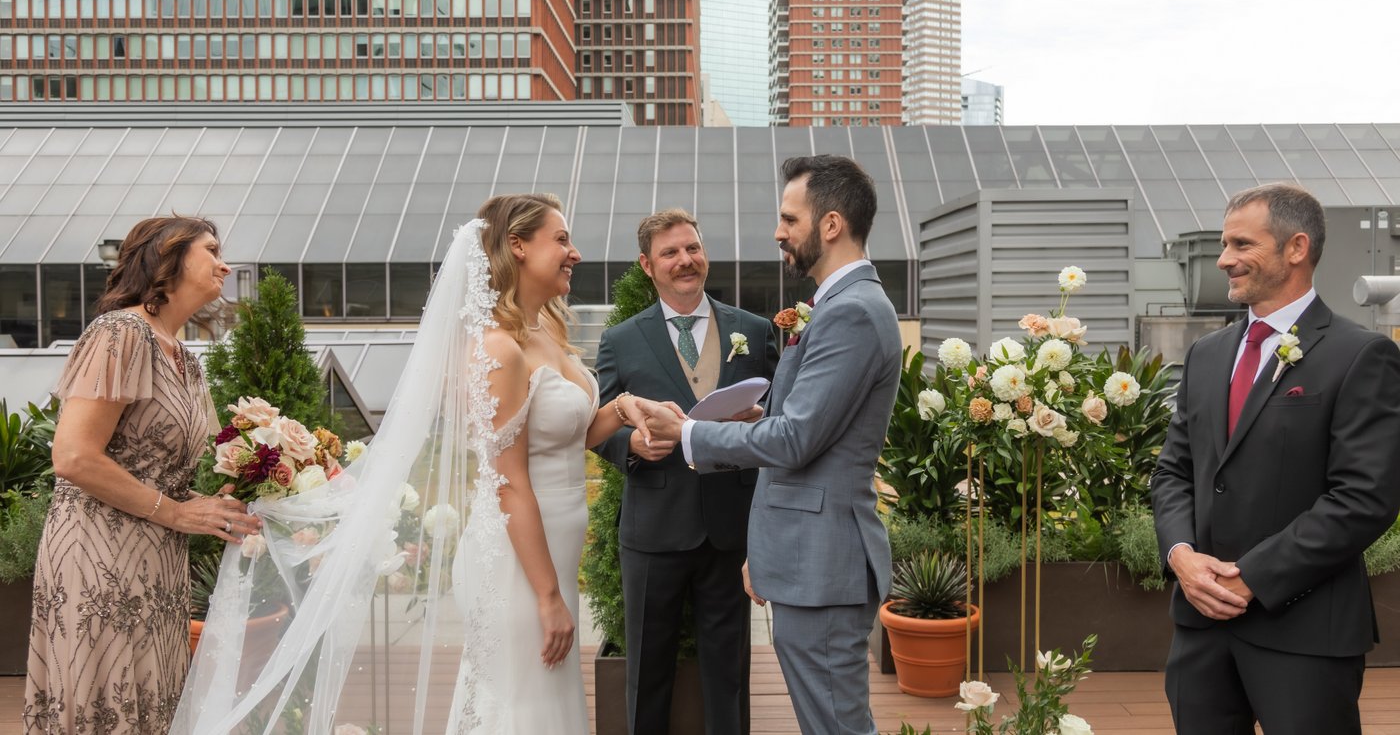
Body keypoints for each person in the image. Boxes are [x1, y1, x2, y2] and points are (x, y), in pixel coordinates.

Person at [172, 194, 646, 734]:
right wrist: (547, 597)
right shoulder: (497, 348)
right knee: (521, 711)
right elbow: (509, 483)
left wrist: (622, 409)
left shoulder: (545, 331)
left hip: (551, 554)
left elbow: (567, 437)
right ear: (517, 246)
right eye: (561, 239)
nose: (574, 252)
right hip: (517, 567)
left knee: (547, 705)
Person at [633, 155, 901, 735]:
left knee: (836, 726)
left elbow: (798, 440)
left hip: (824, 565)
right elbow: (809, 426)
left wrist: (691, 432)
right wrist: (759, 415)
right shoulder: (840, 304)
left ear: (830, 226)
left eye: (789, 218)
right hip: (809, 560)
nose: (778, 232)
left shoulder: (850, 311)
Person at [1152, 183, 1400, 735]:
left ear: (1296, 248)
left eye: (1242, 244)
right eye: (1224, 244)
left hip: (1306, 635)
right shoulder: (1207, 354)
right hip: (1200, 630)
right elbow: (1173, 471)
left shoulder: (1360, 355)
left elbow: (1365, 498)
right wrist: (1182, 555)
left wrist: (1253, 578)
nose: (1223, 260)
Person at [23, 216, 261, 734]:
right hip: (97, 552)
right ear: (167, 258)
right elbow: (73, 457)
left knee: (155, 704)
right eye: (212, 250)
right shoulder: (119, 333)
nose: (225, 264)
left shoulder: (189, 362)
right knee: (104, 703)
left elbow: (163, 474)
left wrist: (237, 507)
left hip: (159, 559)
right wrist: (177, 512)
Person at [593, 208, 780, 735]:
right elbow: (600, 426)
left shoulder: (754, 330)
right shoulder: (621, 340)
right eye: (670, 253)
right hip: (653, 528)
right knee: (647, 671)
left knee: (731, 674)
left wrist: (759, 420)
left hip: (729, 529)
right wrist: (629, 443)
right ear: (647, 265)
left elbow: (782, 418)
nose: (685, 261)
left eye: (692, 248)